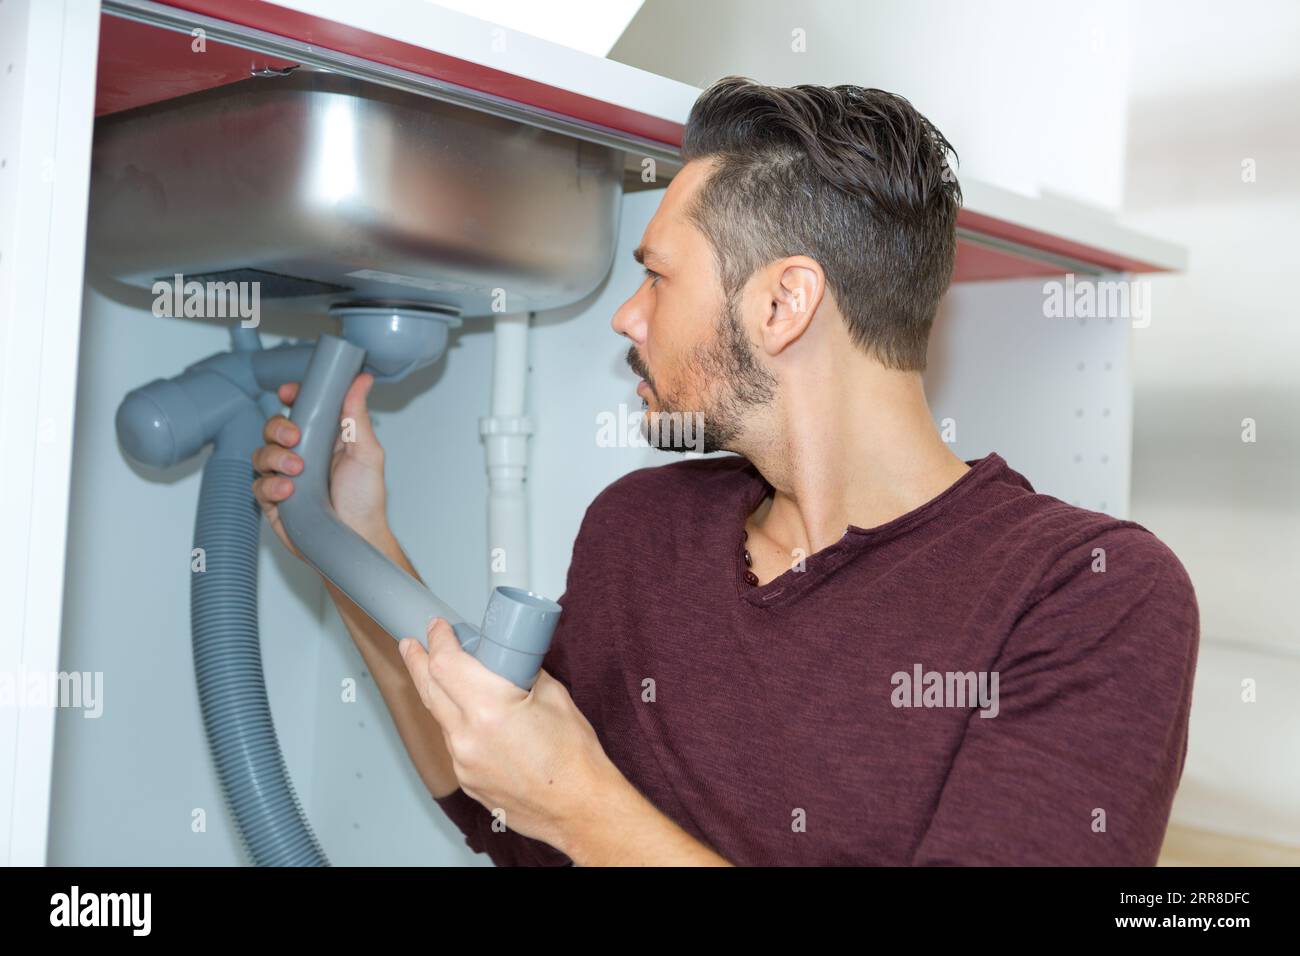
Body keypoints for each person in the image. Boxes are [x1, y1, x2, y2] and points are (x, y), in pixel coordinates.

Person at [252, 76, 1199, 866]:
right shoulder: (641, 527)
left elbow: (572, 811)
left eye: (658, 276)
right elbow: (513, 819)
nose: (627, 317)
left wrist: (579, 800)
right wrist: (354, 539)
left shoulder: (1090, 593)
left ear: (785, 303)